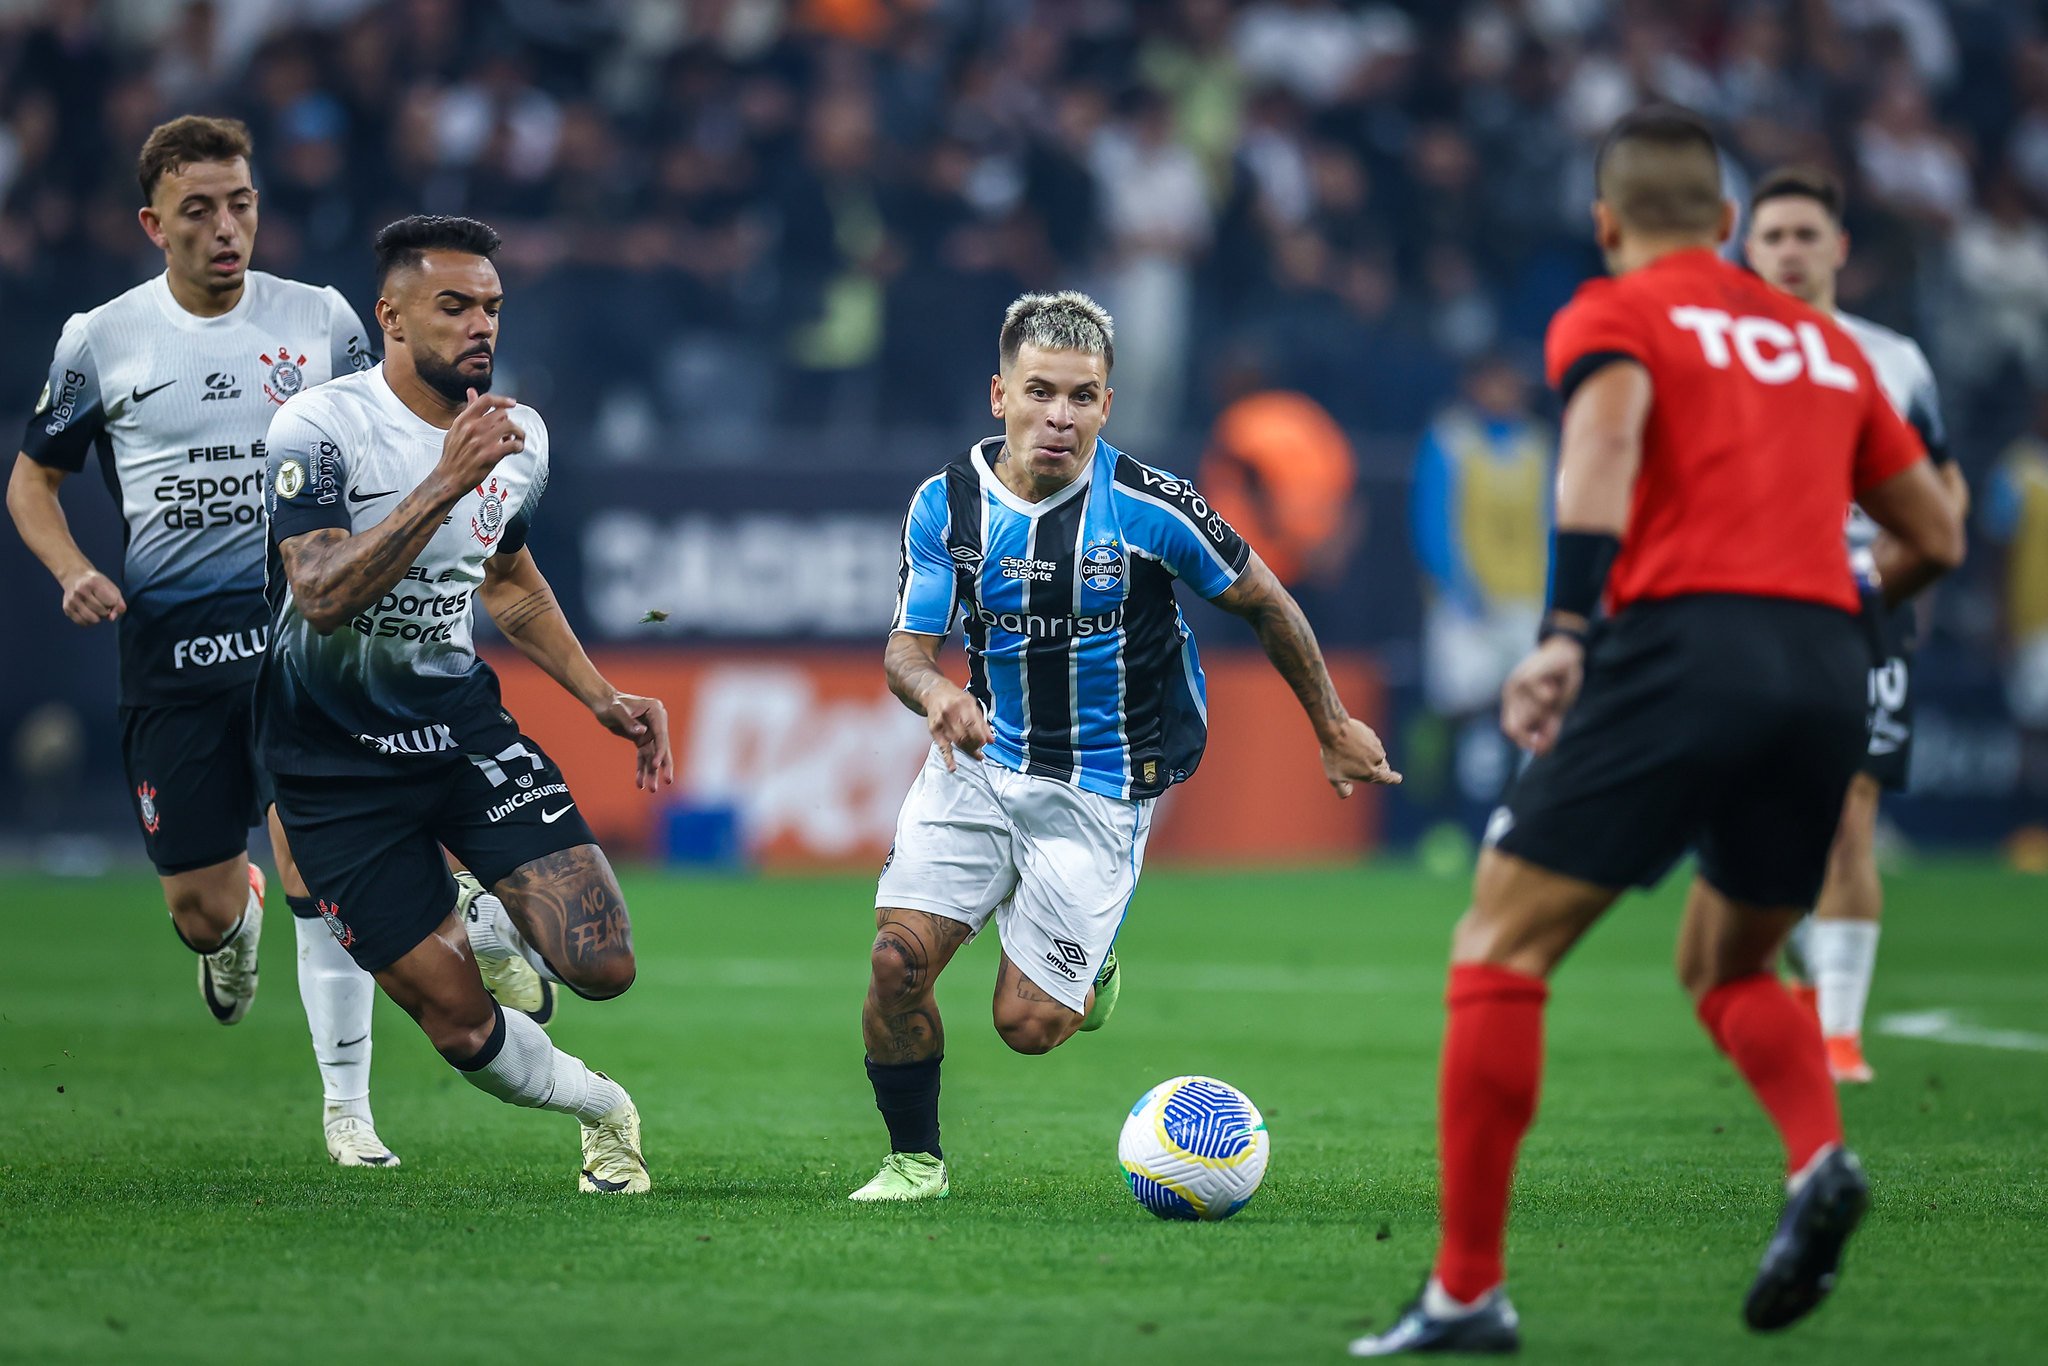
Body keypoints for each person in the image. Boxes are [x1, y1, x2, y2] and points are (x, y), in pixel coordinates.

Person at [1349, 107, 1964, 1355]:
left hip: (1680, 646)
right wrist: (1831, 615)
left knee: (1499, 946)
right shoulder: (1826, 346)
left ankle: (1465, 1291)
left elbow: (1604, 445)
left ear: (1605, 223)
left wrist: (1567, 628)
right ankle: (1813, 1165)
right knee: (1727, 963)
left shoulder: (1613, 310)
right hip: (1823, 668)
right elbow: (1936, 536)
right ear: (1732, 226)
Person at [850, 290, 1400, 1203]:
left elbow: (1263, 598)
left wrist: (1332, 725)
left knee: (1025, 1026)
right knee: (894, 963)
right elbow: (908, 647)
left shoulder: (1154, 507)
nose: (1057, 416)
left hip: (1105, 782)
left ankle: (1087, 963)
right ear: (999, 396)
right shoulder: (944, 502)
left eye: (1080, 396)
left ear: (1107, 404)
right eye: (1039, 392)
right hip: (981, 762)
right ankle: (915, 1162)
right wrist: (938, 691)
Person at [4, 115, 401, 1167]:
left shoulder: (319, 321)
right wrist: (73, 569)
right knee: (197, 903)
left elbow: (380, 450)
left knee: (320, 849)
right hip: (172, 657)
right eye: (199, 211)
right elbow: (32, 480)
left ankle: (348, 1110)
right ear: (153, 224)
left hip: (301, 641)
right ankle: (232, 931)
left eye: (242, 204)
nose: (227, 227)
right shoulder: (102, 338)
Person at [258, 214, 671, 1194]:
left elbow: (510, 580)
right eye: (453, 306)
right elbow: (317, 592)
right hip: (331, 765)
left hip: (458, 733)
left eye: (490, 306)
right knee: (456, 1023)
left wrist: (600, 694)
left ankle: (487, 920)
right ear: (391, 315)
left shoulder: (516, 436)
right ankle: (601, 1107)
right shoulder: (317, 429)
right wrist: (444, 480)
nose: (479, 324)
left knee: (603, 959)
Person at [1745, 165, 1971, 1083]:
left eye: (1807, 235)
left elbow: (1943, 480)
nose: (1792, 252)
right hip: (1748, 611)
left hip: (1864, 605)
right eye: (1774, 237)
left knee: (1852, 816)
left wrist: (1907, 565)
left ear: (1838, 249)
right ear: (1747, 251)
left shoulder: (1893, 360)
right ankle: (1803, 950)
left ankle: (1836, 1037)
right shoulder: (1726, 355)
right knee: (1754, 820)